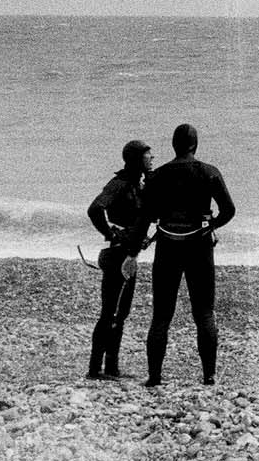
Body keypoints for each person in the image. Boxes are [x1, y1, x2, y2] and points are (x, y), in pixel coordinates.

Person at [140, 122, 236, 386]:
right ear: (195, 145)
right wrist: (212, 225)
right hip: (199, 246)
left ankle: (155, 377)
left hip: (168, 245)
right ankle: (209, 375)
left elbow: (147, 215)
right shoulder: (209, 172)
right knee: (204, 312)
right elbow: (229, 210)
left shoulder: (157, 176)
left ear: (174, 146)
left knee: (161, 314)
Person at [85, 139, 154, 380]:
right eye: (148, 156)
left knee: (120, 313)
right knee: (110, 313)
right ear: (137, 160)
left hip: (129, 253)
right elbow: (95, 209)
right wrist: (110, 233)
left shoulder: (137, 184)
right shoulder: (120, 184)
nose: (152, 159)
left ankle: (111, 368)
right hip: (118, 254)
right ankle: (95, 369)